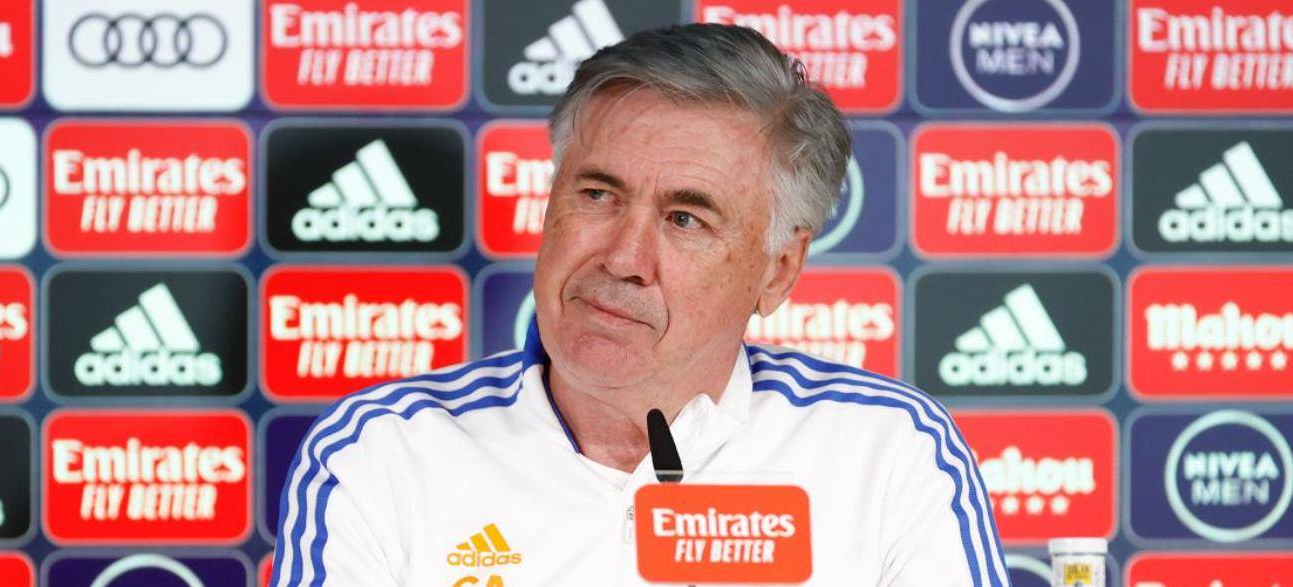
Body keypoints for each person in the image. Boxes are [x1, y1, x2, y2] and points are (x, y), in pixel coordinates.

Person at [271, 24, 1008, 587]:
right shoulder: (383, 452)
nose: (622, 258)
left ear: (777, 270)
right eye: (598, 194)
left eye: (685, 219)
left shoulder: (888, 452)